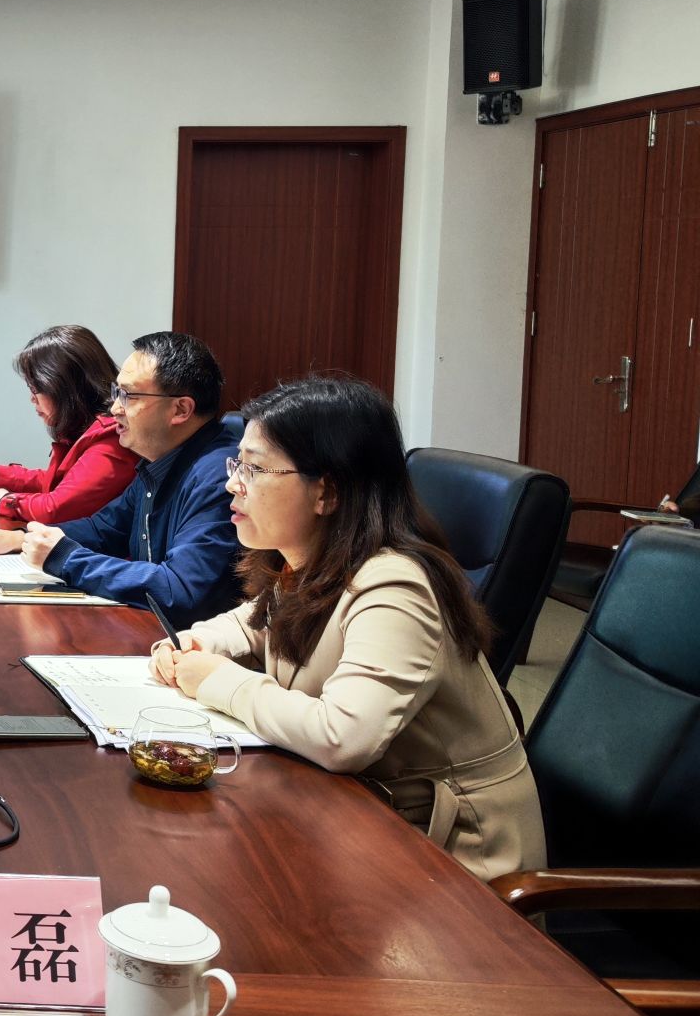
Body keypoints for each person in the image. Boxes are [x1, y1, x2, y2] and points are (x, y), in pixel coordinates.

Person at [149, 376, 545, 881]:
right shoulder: (311, 559)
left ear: (327, 491)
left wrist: (219, 681)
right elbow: (253, 623)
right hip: (365, 816)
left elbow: (343, 737)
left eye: (255, 469)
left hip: (456, 860)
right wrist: (200, 640)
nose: (233, 484)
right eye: (237, 464)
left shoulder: (393, 585)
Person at [0, 331, 241, 625]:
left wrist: (65, 558)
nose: (115, 408)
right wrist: (19, 538)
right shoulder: (160, 460)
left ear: (180, 409)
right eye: (116, 393)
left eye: (128, 396)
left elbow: (181, 591)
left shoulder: (219, 478)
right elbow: (104, 529)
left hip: (186, 644)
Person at [0, 324, 136, 523]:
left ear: (65, 388)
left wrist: (5, 500)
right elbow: (53, 483)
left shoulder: (112, 437)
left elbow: (57, 508)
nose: (32, 399)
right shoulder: (85, 427)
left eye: (36, 389)